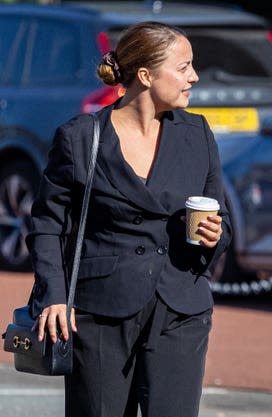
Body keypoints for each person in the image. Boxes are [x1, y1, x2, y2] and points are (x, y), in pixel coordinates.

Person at [28, 21, 231, 417]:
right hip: (99, 311)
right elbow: (46, 225)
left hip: (179, 308)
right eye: (184, 66)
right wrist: (53, 295)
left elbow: (220, 220)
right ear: (146, 75)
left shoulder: (198, 133)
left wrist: (214, 235)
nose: (195, 76)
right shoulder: (81, 137)